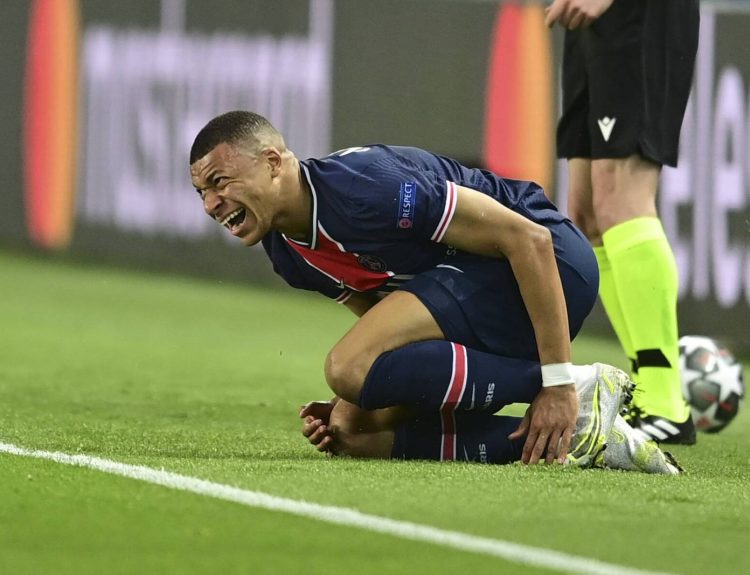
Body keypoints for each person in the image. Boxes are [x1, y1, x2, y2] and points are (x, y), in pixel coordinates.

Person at [188, 110, 674, 472]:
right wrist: (381, 388)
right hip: (481, 298)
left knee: (346, 367)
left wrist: (558, 381)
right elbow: (387, 326)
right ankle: (582, 443)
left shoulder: (365, 187)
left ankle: (579, 387)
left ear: (273, 163)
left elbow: (530, 240)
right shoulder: (287, 254)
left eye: (219, 182)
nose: (211, 204)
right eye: (201, 193)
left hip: (551, 265)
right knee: (353, 429)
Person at [545, 0, 700, 444]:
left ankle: (665, 402)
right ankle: (644, 393)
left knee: (621, 198)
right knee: (588, 213)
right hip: (592, 25)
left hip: (641, 15)